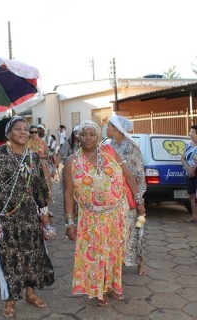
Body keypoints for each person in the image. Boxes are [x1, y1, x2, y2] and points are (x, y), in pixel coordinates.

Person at [63, 120, 145, 307]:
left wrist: (139, 200)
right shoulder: (71, 161)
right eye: (84, 134)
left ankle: (114, 285)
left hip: (115, 215)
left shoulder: (110, 153)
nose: (88, 138)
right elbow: (68, 193)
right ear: (78, 137)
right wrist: (69, 222)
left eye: (92, 134)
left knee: (114, 252)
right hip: (90, 218)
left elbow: (129, 177)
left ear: (98, 136)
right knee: (95, 254)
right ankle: (99, 290)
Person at [0, 116, 54, 318]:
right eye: (18, 129)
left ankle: (31, 293)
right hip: (6, 217)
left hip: (30, 217)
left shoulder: (33, 157)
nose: (23, 132)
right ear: (8, 133)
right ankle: (11, 300)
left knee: (32, 255)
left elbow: (40, 189)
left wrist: (45, 215)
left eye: (26, 129)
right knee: (10, 258)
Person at [106, 114, 147, 275]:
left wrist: (139, 200)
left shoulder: (131, 147)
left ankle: (141, 262)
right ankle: (117, 262)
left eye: (108, 126)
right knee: (116, 231)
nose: (106, 129)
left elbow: (138, 176)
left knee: (136, 228)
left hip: (129, 195)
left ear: (116, 128)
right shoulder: (108, 145)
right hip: (112, 197)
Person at [27, 125, 53, 202]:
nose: (34, 133)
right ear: (29, 133)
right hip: (31, 167)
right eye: (32, 132)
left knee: (46, 188)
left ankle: (46, 210)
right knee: (33, 188)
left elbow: (47, 156)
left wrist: (38, 156)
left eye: (36, 132)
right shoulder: (26, 143)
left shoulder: (42, 142)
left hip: (43, 167)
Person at [181, 124, 197, 222]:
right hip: (189, 173)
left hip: (195, 172)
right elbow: (182, 158)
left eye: (192, 132)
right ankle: (194, 216)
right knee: (191, 195)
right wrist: (188, 168)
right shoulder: (188, 145)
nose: (189, 133)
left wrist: (194, 170)